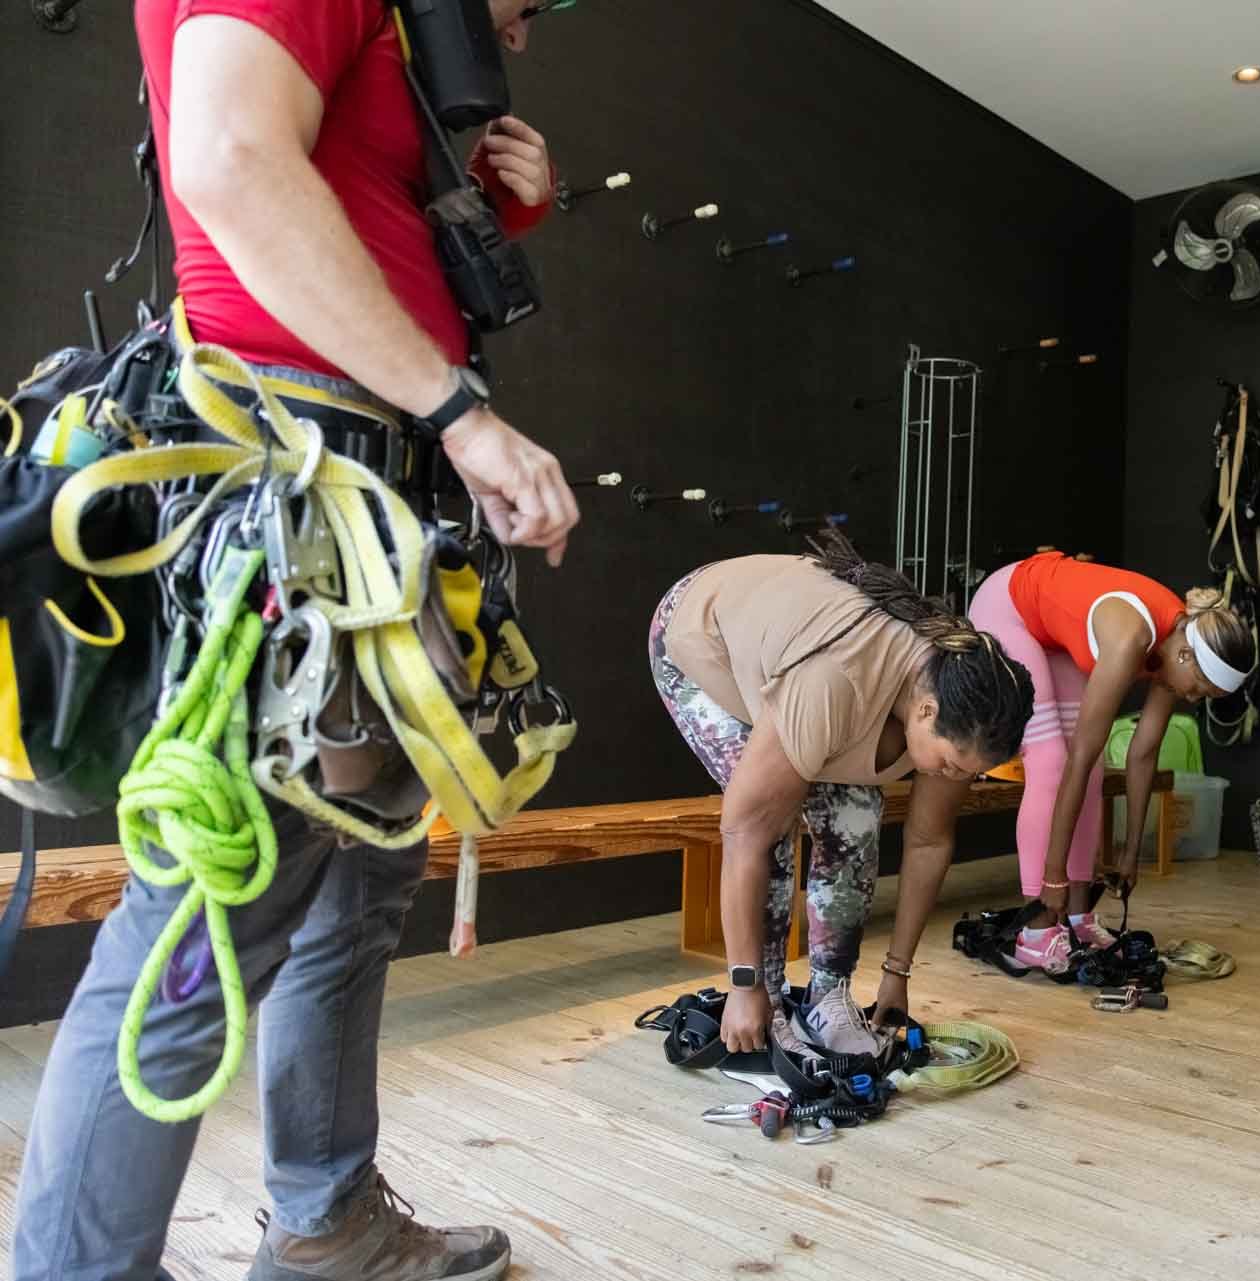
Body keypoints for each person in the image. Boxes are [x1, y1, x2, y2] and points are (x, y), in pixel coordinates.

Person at [10, 3, 581, 1279]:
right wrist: (464, 414)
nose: (523, 38)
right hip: (295, 479)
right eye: (528, 7)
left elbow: (333, 192)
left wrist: (490, 203)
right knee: (202, 929)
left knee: (356, 890)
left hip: (370, 498)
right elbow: (227, 156)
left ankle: (325, 1221)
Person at [650, 531, 1034, 1056]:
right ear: (926, 712)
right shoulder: (835, 680)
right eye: (949, 763)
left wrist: (896, 974)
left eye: (968, 772)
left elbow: (928, 841)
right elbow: (744, 834)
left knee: (855, 818)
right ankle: (766, 1005)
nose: (954, 777)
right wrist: (744, 987)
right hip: (702, 636)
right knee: (774, 829)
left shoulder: (961, 705)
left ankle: (829, 997)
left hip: (805, 662)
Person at [966, 551, 1254, 973]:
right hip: (1007, 606)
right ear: (1186, 658)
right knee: (1053, 761)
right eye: (1200, 690)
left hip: (1050, 631)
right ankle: (1037, 930)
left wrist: (1129, 855)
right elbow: (1076, 760)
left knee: (1097, 767)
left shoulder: (1180, 643)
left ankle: (1080, 920)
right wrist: (1053, 877)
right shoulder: (1130, 640)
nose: (1193, 699)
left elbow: (1142, 754)